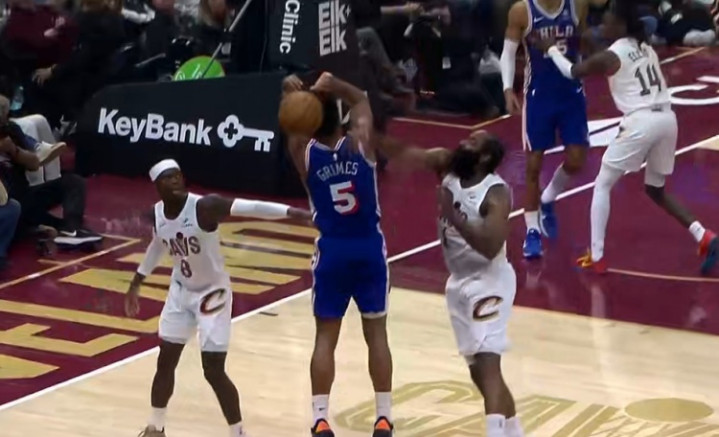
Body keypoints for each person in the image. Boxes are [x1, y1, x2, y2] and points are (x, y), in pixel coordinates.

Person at [123, 159, 312, 437]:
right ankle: (156, 427)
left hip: (212, 293)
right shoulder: (156, 214)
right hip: (180, 292)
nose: (175, 181)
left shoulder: (204, 207)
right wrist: (137, 281)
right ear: (157, 186)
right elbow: (159, 244)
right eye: (168, 177)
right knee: (165, 360)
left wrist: (295, 213)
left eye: (178, 176)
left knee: (212, 370)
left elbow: (251, 207)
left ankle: (238, 432)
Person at [533, 0, 718, 274]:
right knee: (655, 189)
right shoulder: (645, 47)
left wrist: (549, 48)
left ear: (620, 25)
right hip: (667, 119)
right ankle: (705, 235)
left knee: (602, 184)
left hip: (641, 121)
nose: (602, 25)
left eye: (607, 21)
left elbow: (572, 72)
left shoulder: (613, 55)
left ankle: (596, 256)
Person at [383, 130, 525, 437]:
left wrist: (453, 215)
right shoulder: (447, 167)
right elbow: (408, 153)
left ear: (484, 157)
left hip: (490, 282)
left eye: (472, 142)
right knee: (479, 373)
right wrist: (370, 136)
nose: (462, 142)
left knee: (489, 366)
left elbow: (490, 247)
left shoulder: (495, 193)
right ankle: (515, 432)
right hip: (458, 282)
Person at [282, 73, 393, 437]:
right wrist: (336, 85)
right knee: (376, 335)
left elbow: (292, 125)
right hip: (368, 250)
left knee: (325, 338)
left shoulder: (305, 154)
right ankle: (383, 418)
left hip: (332, 252)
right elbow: (362, 99)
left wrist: (290, 93)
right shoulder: (361, 143)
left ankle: (320, 419)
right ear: (340, 118)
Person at [500, 0, 608, 259]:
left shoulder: (577, 5)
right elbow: (508, 53)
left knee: (577, 160)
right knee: (533, 165)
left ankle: (548, 198)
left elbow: (588, 28)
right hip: (539, 96)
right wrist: (507, 89)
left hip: (571, 94)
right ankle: (532, 231)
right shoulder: (521, 10)